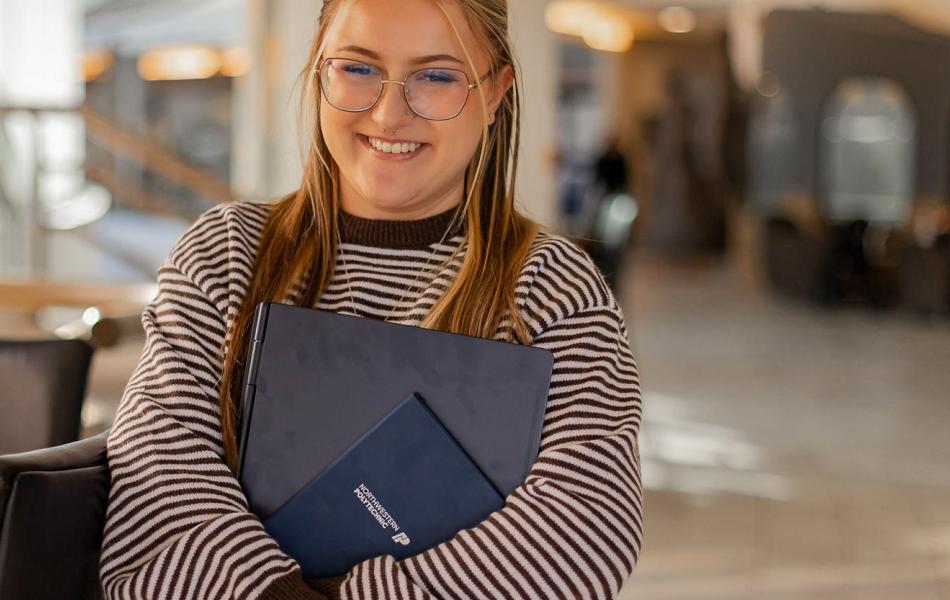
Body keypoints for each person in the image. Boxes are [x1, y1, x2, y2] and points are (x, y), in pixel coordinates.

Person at [98, 1, 644, 598]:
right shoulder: (227, 254)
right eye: (357, 68)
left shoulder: (552, 287)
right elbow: (158, 484)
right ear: (318, 69)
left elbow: (583, 525)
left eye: (436, 76)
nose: (389, 114)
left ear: (494, 92)